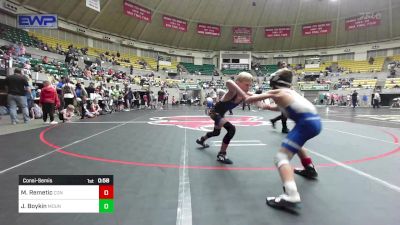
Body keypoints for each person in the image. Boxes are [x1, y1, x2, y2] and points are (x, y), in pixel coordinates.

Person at [245, 68, 322, 209]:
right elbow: (279, 107)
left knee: (281, 157)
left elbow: (249, 99)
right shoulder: (290, 93)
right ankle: (309, 168)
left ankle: (291, 195)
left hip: (306, 124)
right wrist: (266, 106)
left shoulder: (277, 92)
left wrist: (244, 93)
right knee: (295, 142)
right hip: (315, 122)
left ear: (273, 83)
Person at [196, 72, 253, 164]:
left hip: (220, 114)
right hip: (214, 113)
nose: (248, 87)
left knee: (216, 132)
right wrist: (243, 93)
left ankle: (201, 140)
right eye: (246, 85)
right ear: (238, 83)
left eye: (250, 85)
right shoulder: (232, 92)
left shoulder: (245, 94)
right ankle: (222, 154)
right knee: (231, 129)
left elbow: (256, 96)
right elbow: (229, 82)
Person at [269, 61, 290, 133]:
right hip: (280, 94)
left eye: (285, 64)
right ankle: (284, 128)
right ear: (279, 66)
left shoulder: (287, 73)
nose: (284, 65)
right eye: (282, 64)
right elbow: (271, 83)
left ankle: (274, 121)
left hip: (285, 93)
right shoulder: (277, 74)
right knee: (286, 111)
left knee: (285, 111)